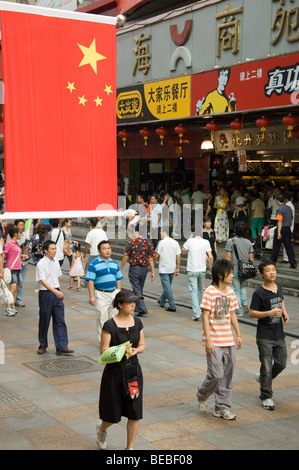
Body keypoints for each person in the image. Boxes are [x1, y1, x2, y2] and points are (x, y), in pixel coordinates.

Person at [96, 289, 145, 450]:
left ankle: (129, 448)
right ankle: (102, 429)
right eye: (130, 302)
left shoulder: (137, 322)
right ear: (120, 304)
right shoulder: (109, 325)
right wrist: (122, 350)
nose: (133, 305)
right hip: (115, 373)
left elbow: (142, 345)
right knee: (112, 414)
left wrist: (136, 350)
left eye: (134, 302)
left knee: (134, 413)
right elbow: (103, 352)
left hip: (133, 373)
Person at [196, 259, 242, 420]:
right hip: (214, 341)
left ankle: (222, 408)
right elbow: (205, 316)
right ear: (221, 275)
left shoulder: (230, 291)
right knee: (216, 374)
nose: (232, 276)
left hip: (228, 340)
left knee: (227, 376)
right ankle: (202, 394)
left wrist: (238, 334)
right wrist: (208, 340)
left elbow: (232, 314)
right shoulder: (210, 291)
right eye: (230, 273)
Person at [249, 260, 289, 410]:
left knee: (281, 363)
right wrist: (270, 313)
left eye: (274, 269)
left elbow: (281, 299)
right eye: (268, 270)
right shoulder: (258, 293)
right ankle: (266, 396)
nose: (272, 272)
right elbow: (252, 313)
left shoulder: (279, 286)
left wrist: (284, 311)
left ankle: (263, 379)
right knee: (266, 366)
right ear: (261, 274)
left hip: (279, 333)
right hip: (265, 335)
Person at [35, 240, 74, 355]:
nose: (55, 250)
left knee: (60, 319)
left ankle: (62, 346)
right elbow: (43, 281)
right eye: (52, 249)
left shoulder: (56, 261)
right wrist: (54, 291)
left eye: (55, 248)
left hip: (56, 292)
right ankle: (42, 345)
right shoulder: (41, 263)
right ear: (45, 251)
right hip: (46, 294)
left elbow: (57, 277)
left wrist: (58, 290)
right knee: (44, 320)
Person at [85, 240, 123, 343]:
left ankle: (114, 340)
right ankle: (104, 342)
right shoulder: (94, 264)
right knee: (102, 319)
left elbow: (118, 279)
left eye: (109, 248)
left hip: (114, 293)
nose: (107, 251)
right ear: (99, 251)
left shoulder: (114, 263)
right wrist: (91, 296)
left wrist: (118, 293)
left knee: (115, 318)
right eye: (104, 249)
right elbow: (90, 281)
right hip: (101, 294)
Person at [120, 224, 154, 317]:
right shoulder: (148, 244)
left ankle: (142, 308)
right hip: (144, 269)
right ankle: (139, 308)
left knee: (137, 289)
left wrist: (121, 266)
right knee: (139, 288)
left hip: (134, 268)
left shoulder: (132, 243)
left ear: (136, 232)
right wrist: (153, 271)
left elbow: (126, 256)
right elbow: (151, 258)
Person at [182, 230, 213, 320]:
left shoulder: (190, 241)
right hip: (202, 269)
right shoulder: (206, 242)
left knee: (193, 291)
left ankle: (196, 312)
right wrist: (211, 268)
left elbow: (183, 252)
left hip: (192, 269)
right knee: (200, 290)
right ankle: (201, 308)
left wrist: (189, 238)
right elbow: (210, 257)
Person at [225, 221, 254, 316]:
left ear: (235, 230)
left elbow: (228, 256)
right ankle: (245, 303)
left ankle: (239, 310)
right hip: (245, 269)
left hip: (235, 268)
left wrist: (227, 269)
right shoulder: (248, 242)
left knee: (236, 289)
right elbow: (251, 258)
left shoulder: (231, 241)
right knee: (243, 287)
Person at [154, 226, 181, 312]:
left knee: (167, 287)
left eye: (161, 231)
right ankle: (162, 300)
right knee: (167, 286)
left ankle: (172, 305)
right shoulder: (175, 242)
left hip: (163, 268)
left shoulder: (161, 243)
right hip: (172, 267)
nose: (159, 233)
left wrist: (152, 264)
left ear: (164, 232)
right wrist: (178, 267)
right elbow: (178, 255)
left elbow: (157, 255)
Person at [270, 194, 297, 269]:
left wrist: (279, 232)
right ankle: (293, 263)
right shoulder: (289, 208)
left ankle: (272, 262)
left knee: (276, 247)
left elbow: (279, 221)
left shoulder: (280, 209)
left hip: (281, 228)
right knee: (289, 247)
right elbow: (291, 219)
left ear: (277, 201)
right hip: (288, 228)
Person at [3, 227, 22, 316]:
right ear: (15, 234)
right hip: (12, 268)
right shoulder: (9, 243)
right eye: (19, 233)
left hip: (18, 268)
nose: (20, 234)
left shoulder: (16, 244)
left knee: (16, 288)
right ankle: (8, 308)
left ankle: (12, 306)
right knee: (12, 288)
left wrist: (23, 256)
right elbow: (3, 254)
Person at [282, 192, 295, 263]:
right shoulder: (289, 205)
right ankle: (286, 258)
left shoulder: (289, 206)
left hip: (287, 226)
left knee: (286, 243)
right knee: (286, 243)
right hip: (288, 226)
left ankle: (286, 258)